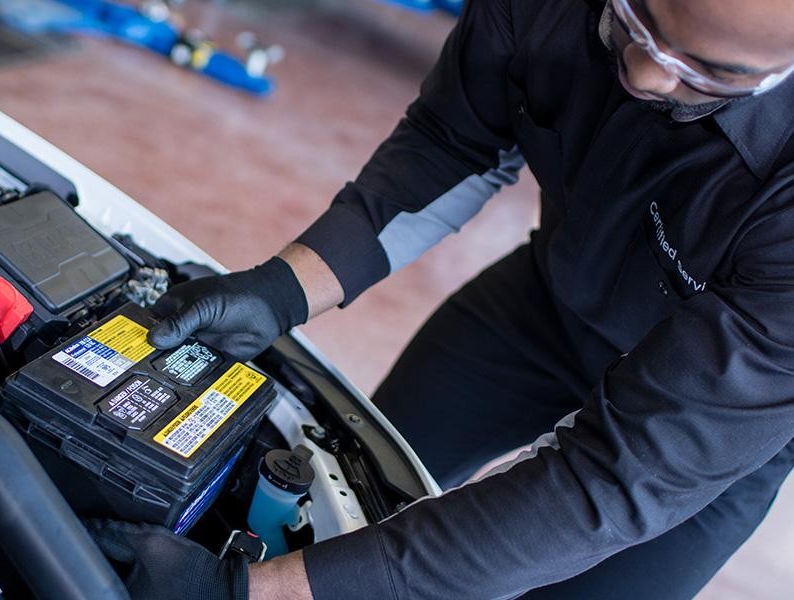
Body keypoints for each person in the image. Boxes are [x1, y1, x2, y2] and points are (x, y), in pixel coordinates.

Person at [89, 0, 794, 598]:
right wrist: (281, 290)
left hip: (719, 430)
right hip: (545, 306)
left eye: (711, 73)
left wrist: (251, 590)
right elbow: (454, 141)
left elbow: (612, 482)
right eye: (633, 19)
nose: (642, 75)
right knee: (344, 493)